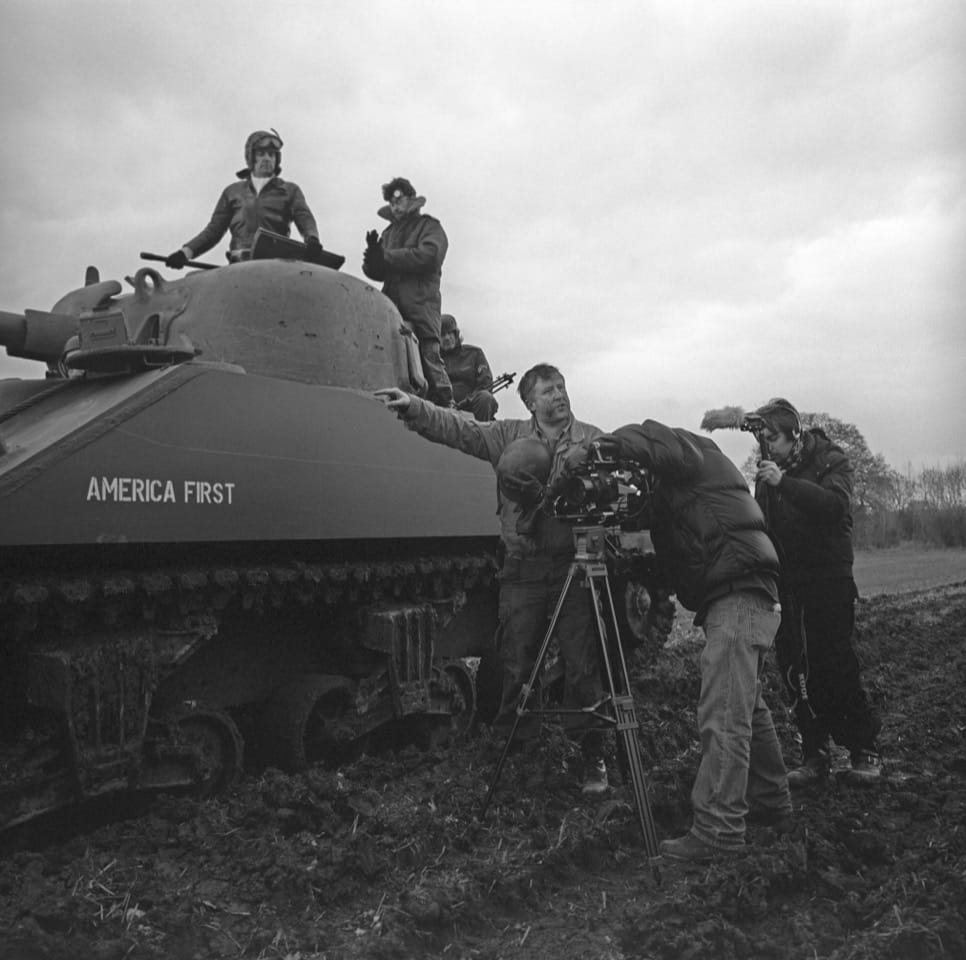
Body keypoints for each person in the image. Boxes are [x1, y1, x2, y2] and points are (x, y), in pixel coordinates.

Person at [375, 364, 610, 794]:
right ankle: (516, 751)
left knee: (582, 664)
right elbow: (460, 429)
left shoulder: (592, 440)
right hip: (523, 568)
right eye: (548, 390)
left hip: (574, 566)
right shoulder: (508, 436)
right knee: (516, 661)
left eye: (561, 387)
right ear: (530, 402)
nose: (559, 395)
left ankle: (591, 756)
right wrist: (414, 407)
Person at [603, 419, 792, 862]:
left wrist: (601, 446)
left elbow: (651, 437)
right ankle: (770, 800)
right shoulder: (683, 485)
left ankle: (719, 831)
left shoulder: (691, 450)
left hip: (739, 594)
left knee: (723, 715)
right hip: (744, 593)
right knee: (746, 706)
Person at [750, 398, 882, 786]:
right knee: (795, 669)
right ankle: (815, 753)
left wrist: (784, 483)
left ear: (795, 434)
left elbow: (834, 507)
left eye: (773, 438)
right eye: (763, 440)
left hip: (829, 580)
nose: (767, 447)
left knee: (834, 663)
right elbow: (764, 525)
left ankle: (864, 749)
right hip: (789, 585)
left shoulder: (830, 460)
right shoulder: (766, 475)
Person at [165, 129, 322, 267]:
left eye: (272, 154)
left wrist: (312, 239)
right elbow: (214, 230)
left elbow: (304, 217)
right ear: (251, 158)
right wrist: (185, 253)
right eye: (261, 154)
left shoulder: (290, 190)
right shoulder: (233, 192)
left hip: (275, 268)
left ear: (277, 159)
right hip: (239, 266)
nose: (267, 158)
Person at [362, 177, 454, 408]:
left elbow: (430, 256)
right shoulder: (388, 233)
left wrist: (387, 257)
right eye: (391, 202)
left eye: (399, 199)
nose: (395, 206)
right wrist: (372, 259)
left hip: (421, 307)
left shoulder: (430, 226)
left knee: (430, 362)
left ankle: (448, 410)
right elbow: (377, 272)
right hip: (392, 309)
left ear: (411, 199)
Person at [440, 314, 499, 421]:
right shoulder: (432, 360)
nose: (447, 338)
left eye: (450, 333)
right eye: (442, 335)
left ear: (456, 334)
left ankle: (482, 433)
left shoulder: (474, 354)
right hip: (441, 409)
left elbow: (485, 384)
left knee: (485, 398)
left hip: (471, 407)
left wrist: (466, 401)